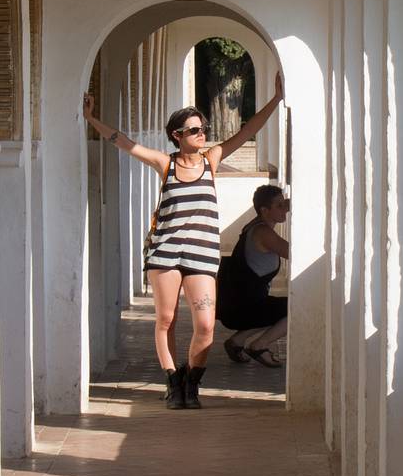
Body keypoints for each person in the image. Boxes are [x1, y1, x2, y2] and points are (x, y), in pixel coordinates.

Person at [82, 72, 284, 409]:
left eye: (203, 127)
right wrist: (91, 119)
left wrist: (276, 99)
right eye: (193, 130)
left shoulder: (212, 160)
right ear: (177, 136)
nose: (201, 133)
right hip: (166, 253)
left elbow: (248, 130)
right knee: (166, 320)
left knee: (205, 325)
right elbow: (126, 143)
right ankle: (174, 383)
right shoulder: (167, 164)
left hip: (202, 255)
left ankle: (193, 379)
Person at [216, 184, 289, 368]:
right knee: (297, 307)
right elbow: (295, 253)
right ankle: (259, 346)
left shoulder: (254, 225)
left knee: (274, 308)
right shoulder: (263, 233)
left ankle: (237, 342)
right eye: (279, 205)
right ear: (265, 210)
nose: (285, 209)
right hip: (242, 309)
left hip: (238, 305)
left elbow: (278, 205)